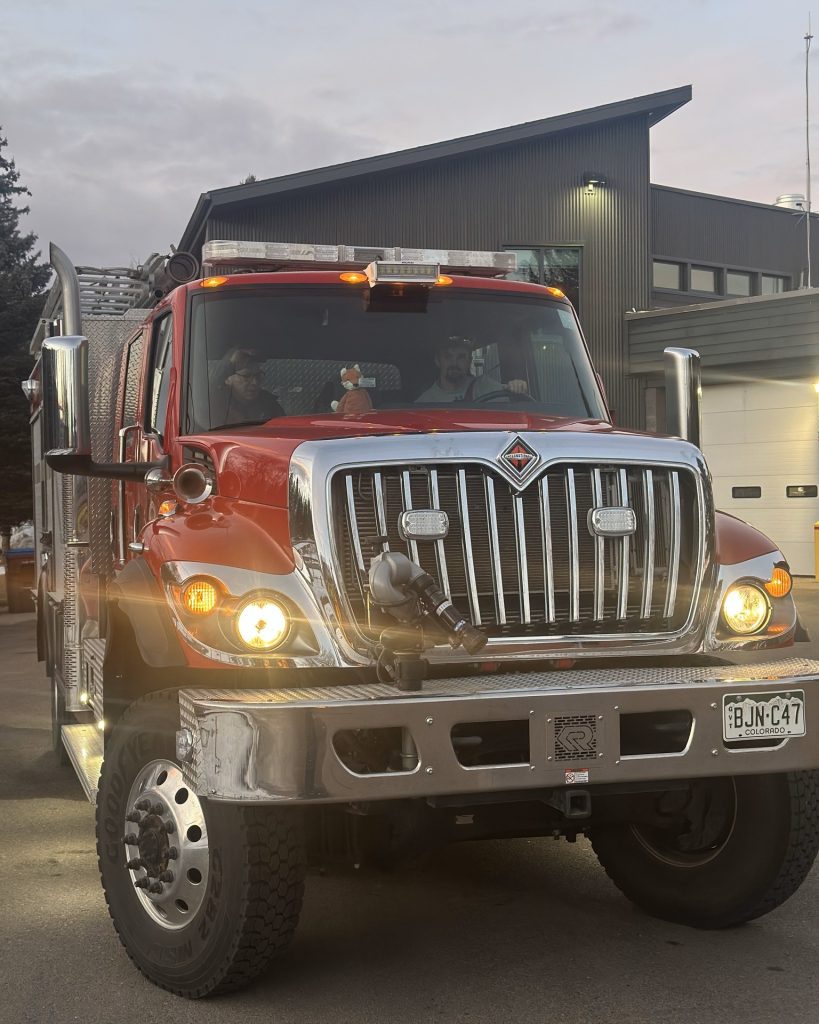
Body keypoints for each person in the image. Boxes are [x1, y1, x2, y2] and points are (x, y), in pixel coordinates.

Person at [415, 336, 528, 404]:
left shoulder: (483, 385)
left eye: (461, 357)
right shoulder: (424, 402)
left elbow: (509, 393)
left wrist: (516, 386)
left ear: (469, 361)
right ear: (437, 361)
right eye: (447, 356)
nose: (454, 363)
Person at [210, 348, 285, 426]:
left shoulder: (269, 404)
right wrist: (230, 364)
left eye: (258, 375)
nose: (255, 382)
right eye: (246, 376)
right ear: (227, 379)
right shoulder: (214, 403)